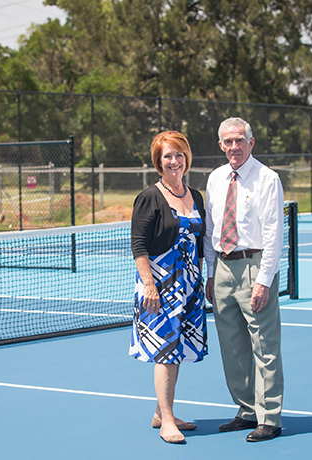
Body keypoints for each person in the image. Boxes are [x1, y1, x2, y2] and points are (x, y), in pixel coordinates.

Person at [204, 117, 285, 442]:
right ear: (221, 145)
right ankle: (246, 410)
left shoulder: (267, 179)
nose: (234, 147)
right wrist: (211, 274)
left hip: (254, 267)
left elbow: (274, 234)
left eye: (240, 140)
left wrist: (264, 280)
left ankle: (270, 418)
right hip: (222, 267)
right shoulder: (215, 178)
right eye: (228, 141)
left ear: (251, 142)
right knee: (233, 346)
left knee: (264, 346)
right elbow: (210, 229)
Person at [129, 131, 207, 445]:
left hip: (189, 285)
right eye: (167, 157)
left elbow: (200, 245)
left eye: (179, 155)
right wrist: (149, 285)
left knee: (175, 351)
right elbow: (139, 246)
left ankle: (162, 412)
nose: (174, 162)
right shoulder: (150, 196)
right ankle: (167, 421)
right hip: (159, 285)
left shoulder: (196, 196)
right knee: (164, 352)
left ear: (187, 158)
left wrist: (202, 281)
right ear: (158, 162)